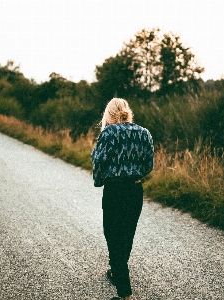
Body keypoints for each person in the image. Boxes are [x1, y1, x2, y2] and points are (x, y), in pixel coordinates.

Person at [91, 98, 154, 300]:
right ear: (128, 112)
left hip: (115, 190)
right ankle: (117, 271)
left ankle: (125, 294)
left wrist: (99, 181)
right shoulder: (144, 133)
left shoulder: (108, 133)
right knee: (126, 235)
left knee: (113, 237)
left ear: (108, 115)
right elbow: (149, 163)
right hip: (135, 190)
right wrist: (136, 175)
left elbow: (100, 162)